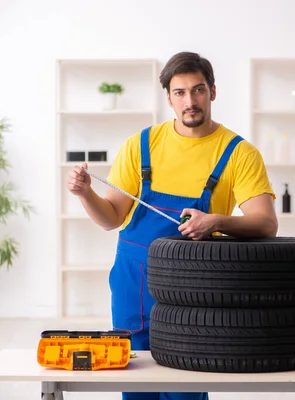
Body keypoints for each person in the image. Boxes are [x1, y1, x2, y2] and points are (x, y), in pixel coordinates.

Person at [66, 51, 278, 400]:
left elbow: (266, 224)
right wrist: (86, 193)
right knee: (135, 386)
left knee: (185, 390)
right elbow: (111, 220)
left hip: (195, 290)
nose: (189, 101)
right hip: (134, 283)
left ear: (212, 91)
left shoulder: (239, 153)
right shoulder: (142, 145)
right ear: (168, 97)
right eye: (179, 92)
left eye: (197, 90)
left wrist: (216, 222)